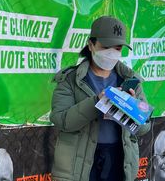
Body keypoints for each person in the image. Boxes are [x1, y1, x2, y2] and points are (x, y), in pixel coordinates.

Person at [50, 16, 151, 181]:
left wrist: (131, 108)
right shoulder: (70, 80)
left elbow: (144, 127)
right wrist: (96, 102)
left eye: (117, 48)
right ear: (91, 45)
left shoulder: (131, 81)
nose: (112, 54)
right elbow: (62, 121)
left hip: (118, 159)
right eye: (106, 47)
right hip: (79, 163)